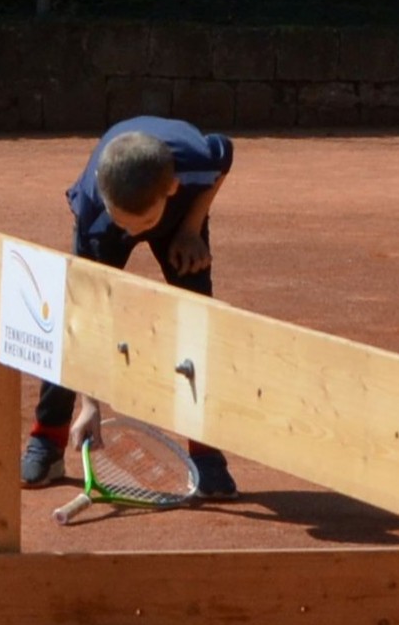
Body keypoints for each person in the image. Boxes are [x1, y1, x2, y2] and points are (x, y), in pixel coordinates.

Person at [20, 119, 237, 498]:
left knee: (197, 321)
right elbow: (86, 318)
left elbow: (224, 157)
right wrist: (90, 404)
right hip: (115, 222)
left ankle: (206, 454)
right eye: (126, 223)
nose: (135, 233)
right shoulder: (94, 211)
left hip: (177, 219)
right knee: (71, 317)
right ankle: (48, 439)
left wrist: (189, 229)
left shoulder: (197, 161)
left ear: (172, 187)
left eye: (144, 223)